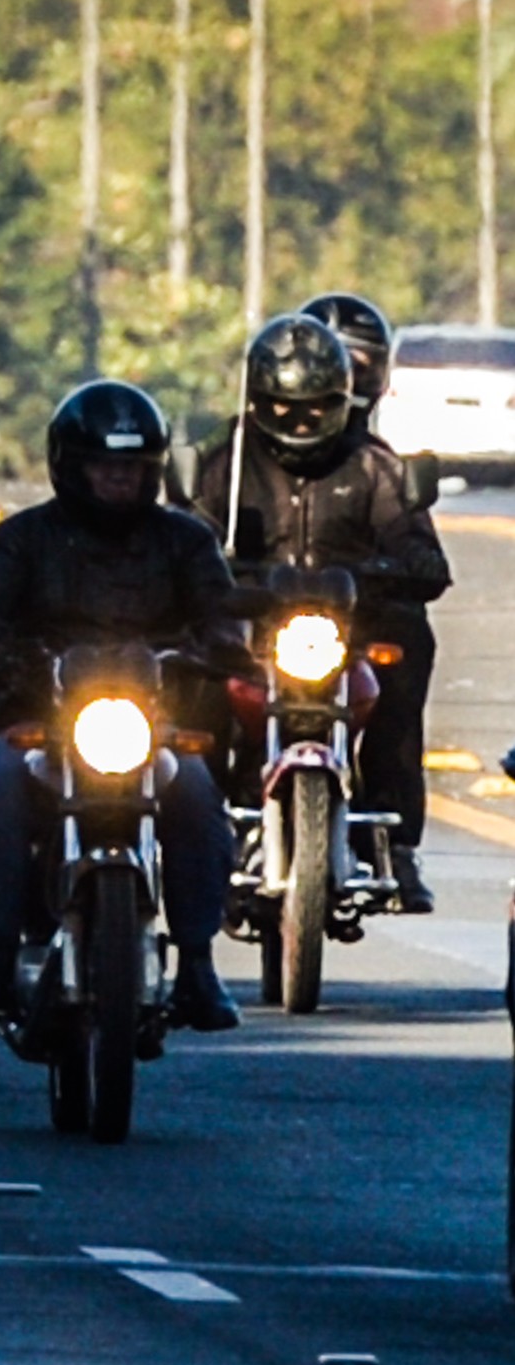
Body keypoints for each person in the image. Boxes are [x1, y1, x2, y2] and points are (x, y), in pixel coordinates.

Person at [0, 381, 244, 1032]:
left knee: (197, 794)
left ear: (156, 469)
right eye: (106, 467)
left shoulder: (187, 541)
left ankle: (197, 963)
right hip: (43, 719)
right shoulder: (21, 540)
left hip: (150, 723)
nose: (119, 480)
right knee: (0, 784)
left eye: (134, 468)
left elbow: (223, 613)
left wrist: (223, 644)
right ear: (70, 466)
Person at [292, 291, 448, 908]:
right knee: (187, 665)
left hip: (349, 628)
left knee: (407, 641)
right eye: (333, 364)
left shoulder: (377, 467)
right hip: (252, 629)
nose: (345, 380)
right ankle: (174, 810)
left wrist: (404, 567)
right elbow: (184, 537)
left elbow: (423, 555)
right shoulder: (233, 456)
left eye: (359, 366)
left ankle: (393, 836)